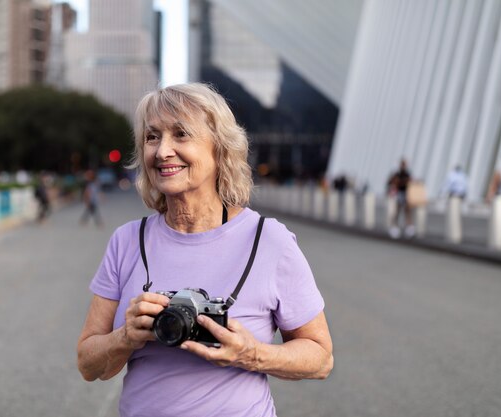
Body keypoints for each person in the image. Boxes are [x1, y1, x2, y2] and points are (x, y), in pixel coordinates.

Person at [77, 83, 334, 417]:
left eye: (181, 134)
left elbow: (321, 358)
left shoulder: (268, 240)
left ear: (219, 148)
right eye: (152, 137)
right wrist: (126, 336)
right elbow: (89, 364)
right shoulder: (127, 240)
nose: (163, 151)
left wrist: (251, 354)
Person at [387, 158, 414, 239]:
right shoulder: (397, 174)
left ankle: (409, 227)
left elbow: (410, 182)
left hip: (405, 193)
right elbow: (391, 182)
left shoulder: (407, 174)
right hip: (399, 194)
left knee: (407, 211)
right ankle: (394, 227)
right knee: (397, 210)